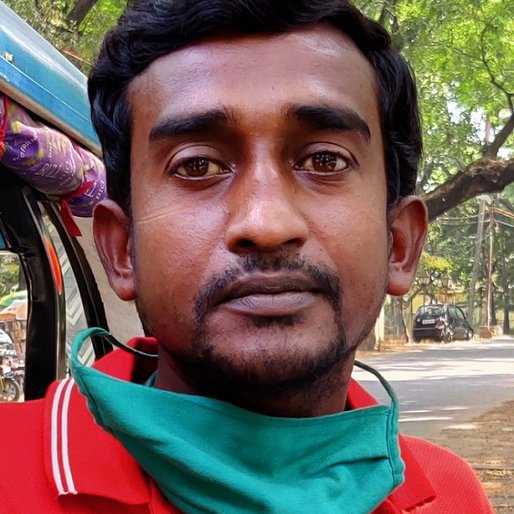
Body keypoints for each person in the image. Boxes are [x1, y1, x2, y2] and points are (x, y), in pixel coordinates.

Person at [0, 1, 493, 512]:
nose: (266, 223)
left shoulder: (451, 495)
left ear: (401, 243)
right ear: (122, 250)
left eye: (324, 160)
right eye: (197, 166)